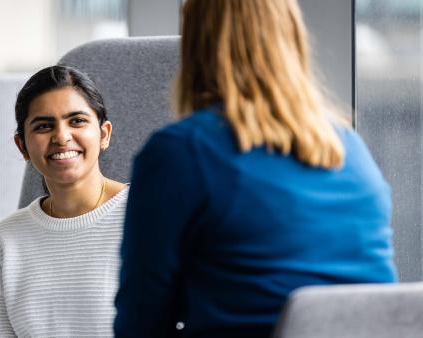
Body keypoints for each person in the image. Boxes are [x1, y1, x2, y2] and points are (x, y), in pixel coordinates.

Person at [114, 1, 397, 337]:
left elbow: (142, 320)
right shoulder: (349, 147)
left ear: (196, 45)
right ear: (292, 40)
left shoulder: (181, 152)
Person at [0, 65, 128, 337]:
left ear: (104, 134)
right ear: (22, 145)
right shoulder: (8, 237)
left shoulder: (147, 216)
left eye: (77, 121)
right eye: (44, 126)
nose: (61, 137)